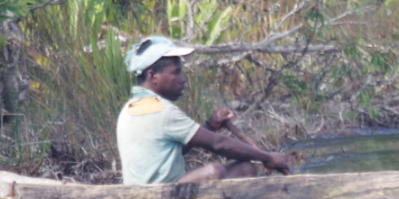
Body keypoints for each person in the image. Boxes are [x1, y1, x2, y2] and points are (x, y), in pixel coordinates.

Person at [118, 36, 294, 185]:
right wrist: (267, 157)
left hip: (155, 193)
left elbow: (171, 153)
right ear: (152, 76)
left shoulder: (129, 109)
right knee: (213, 171)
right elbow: (219, 144)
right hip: (159, 198)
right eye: (176, 72)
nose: (183, 79)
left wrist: (210, 126)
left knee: (245, 169)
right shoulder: (162, 111)